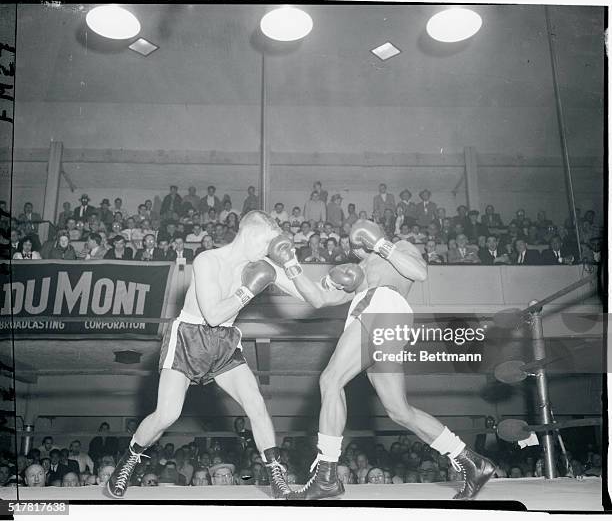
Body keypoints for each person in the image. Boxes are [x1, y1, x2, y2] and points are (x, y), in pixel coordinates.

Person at [282, 220, 495, 500]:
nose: (353, 246)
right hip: (378, 320)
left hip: (381, 308)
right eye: (352, 243)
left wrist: (381, 244)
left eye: (358, 241)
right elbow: (317, 298)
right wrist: (289, 265)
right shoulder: (354, 272)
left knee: (330, 380)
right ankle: (471, 461)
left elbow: (419, 272)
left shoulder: (398, 248)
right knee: (399, 411)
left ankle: (326, 475)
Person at [105, 211, 298, 499]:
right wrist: (248, 290)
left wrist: (331, 283)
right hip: (189, 337)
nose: (269, 249)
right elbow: (212, 315)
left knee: (256, 402)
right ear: (250, 234)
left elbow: (308, 293)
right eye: (267, 242)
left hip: (224, 342)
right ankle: (129, 459)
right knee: (167, 414)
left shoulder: (262, 264)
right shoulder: (208, 260)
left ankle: (276, 477)